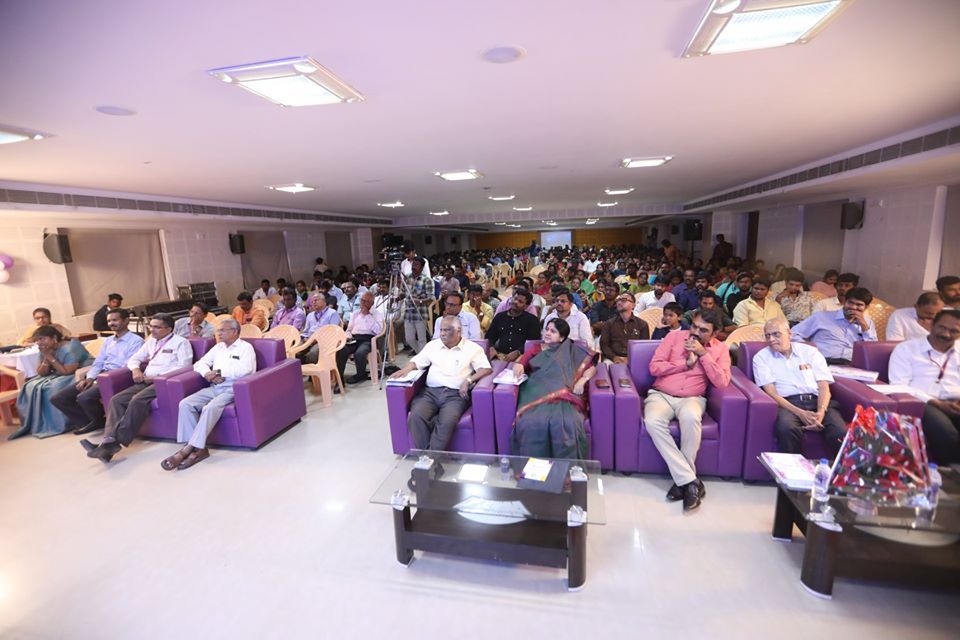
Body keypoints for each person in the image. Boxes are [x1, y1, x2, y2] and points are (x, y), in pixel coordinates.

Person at [645, 310, 731, 512]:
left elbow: (722, 381)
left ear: (715, 333)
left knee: (691, 418)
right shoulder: (674, 337)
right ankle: (691, 482)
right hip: (661, 395)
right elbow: (654, 368)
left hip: (692, 398)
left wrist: (703, 354)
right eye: (694, 326)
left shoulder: (720, 349)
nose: (695, 332)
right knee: (652, 421)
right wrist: (684, 364)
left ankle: (683, 482)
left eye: (703, 330)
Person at [81, 313, 193, 462]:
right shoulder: (150, 342)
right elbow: (134, 359)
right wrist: (135, 369)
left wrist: (157, 377)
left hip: (163, 382)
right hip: (145, 379)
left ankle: (112, 443)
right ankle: (108, 441)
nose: (152, 330)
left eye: (157, 327)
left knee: (137, 400)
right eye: (151, 326)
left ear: (169, 329)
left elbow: (184, 366)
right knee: (117, 400)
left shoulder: (181, 343)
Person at [161, 319, 256, 471]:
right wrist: (207, 374)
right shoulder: (218, 347)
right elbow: (200, 363)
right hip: (214, 385)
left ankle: (188, 449)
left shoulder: (245, 348)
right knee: (185, 404)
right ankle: (199, 449)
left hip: (234, 387)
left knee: (210, 407)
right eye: (219, 330)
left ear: (234, 332)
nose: (219, 333)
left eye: (223, 330)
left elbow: (246, 369)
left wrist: (218, 373)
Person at [389, 316, 492, 450]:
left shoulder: (472, 348)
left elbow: (486, 368)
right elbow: (417, 361)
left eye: (447, 330)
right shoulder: (433, 345)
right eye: (441, 330)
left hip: (455, 395)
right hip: (430, 393)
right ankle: (430, 460)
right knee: (416, 417)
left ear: (458, 331)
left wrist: (468, 380)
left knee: (447, 421)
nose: (442, 333)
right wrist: (406, 369)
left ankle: (427, 461)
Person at [753, 318, 846, 457]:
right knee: (786, 428)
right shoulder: (761, 358)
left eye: (776, 334)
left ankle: (839, 475)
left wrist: (820, 412)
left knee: (840, 433)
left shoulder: (810, 352)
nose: (771, 339)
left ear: (789, 334)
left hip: (818, 401)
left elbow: (823, 387)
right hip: (787, 404)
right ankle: (792, 474)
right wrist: (800, 413)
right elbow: (771, 393)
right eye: (767, 335)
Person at [511, 318, 598, 458]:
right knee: (529, 422)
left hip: (566, 396)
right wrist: (519, 365)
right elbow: (522, 363)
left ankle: (565, 470)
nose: (547, 333)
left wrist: (582, 380)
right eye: (547, 329)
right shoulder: (535, 349)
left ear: (562, 337)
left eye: (553, 331)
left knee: (569, 423)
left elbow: (591, 369)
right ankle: (534, 469)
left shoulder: (571, 350)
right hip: (537, 392)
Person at [50, 308, 143, 435]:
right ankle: (90, 421)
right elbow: (98, 362)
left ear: (126, 321)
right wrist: (90, 378)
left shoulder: (136, 341)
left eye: (115, 320)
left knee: (84, 397)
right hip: (101, 376)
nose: (111, 323)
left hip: (116, 377)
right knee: (58, 398)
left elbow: (128, 366)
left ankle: (97, 421)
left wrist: (102, 378)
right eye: (109, 321)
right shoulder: (108, 341)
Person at [888, 310, 960, 464]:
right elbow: (899, 386)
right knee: (946, 432)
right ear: (932, 325)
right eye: (942, 328)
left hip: (956, 401)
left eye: (954, 331)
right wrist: (937, 403)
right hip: (923, 402)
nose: (946, 335)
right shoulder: (906, 349)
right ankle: (951, 474)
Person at [9, 326, 90, 439]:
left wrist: (48, 356)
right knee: (29, 386)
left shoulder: (71, 347)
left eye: (42, 339)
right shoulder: (45, 349)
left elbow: (67, 371)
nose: (39, 342)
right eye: (37, 340)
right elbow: (41, 373)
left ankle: (62, 424)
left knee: (52, 387)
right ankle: (39, 424)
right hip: (58, 373)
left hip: (79, 372)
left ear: (54, 337)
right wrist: (46, 358)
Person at [791, 287, 877, 364]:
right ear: (844, 302)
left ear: (866, 307)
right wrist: (808, 348)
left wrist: (864, 326)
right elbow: (793, 334)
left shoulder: (868, 323)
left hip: (852, 365)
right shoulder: (821, 317)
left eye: (859, 305)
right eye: (850, 303)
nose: (853, 307)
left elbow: (872, 350)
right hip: (822, 361)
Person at [339, 291, 384, 384]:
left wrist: (367, 315)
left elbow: (378, 331)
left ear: (372, 303)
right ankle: (339, 378)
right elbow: (349, 329)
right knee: (341, 349)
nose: (363, 303)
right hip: (354, 338)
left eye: (366, 301)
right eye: (362, 300)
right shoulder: (355, 313)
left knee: (360, 353)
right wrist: (348, 336)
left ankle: (360, 374)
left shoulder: (376, 314)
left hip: (368, 339)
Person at [485, 290, 542, 362]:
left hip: (522, 356)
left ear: (526, 306)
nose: (516, 302)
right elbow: (489, 336)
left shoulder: (532, 320)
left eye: (520, 301)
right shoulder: (500, 317)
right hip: (499, 355)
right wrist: (491, 347)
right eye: (515, 299)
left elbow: (533, 342)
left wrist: (518, 351)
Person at [599, 292, 649, 364]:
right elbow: (604, 344)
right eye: (618, 300)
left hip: (635, 358)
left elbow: (644, 347)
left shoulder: (642, 324)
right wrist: (614, 357)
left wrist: (630, 359)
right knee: (607, 364)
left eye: (624, 300)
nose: (619, 302)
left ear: (633, 305)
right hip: (613, 358)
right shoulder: (609, 323)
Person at [403, 257, 434, 354]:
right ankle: (421, 354)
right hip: (408, 313)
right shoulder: (407, 277)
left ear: (422, 267)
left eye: (416, 265)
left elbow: (431, 298)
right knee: (409, 339)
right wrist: (397, 298)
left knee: (421, 339)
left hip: (420, 313)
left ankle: (422, 360)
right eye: (413, 264)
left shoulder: (427, 280)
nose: (414, 267)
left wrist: (419, 301)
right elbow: (403, 292)